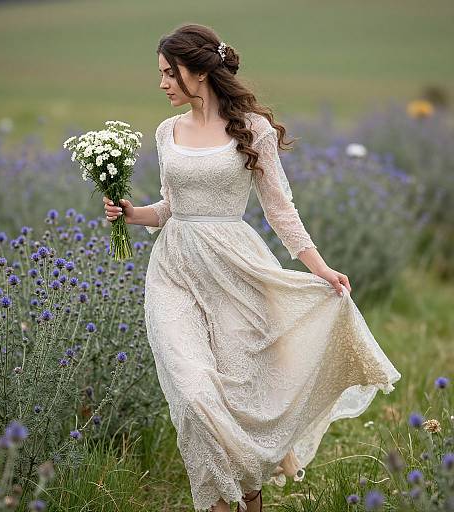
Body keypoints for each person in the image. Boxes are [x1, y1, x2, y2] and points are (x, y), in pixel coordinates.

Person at [103, 23, 401, 512]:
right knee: (195, 393)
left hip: (236, 271)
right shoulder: (166, 132)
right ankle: (223, 496)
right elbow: (170, 207)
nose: (161, 84)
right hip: (174, 271)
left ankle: (245, 495)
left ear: (197, 73)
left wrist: (321, 269)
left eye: (167, 73)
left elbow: (280, 210)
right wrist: (132, 214)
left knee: (241, 398)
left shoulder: (252, 129)